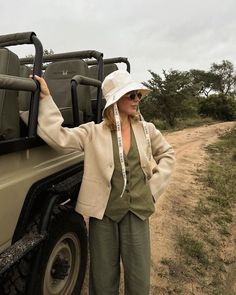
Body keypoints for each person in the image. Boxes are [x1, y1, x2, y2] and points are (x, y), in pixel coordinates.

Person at [34, 69, 175, 295]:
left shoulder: (147, 130)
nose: (137, 99)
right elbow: (58, 137)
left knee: (138, 279)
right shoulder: (93, 132)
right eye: (131, 95)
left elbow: (168, 154)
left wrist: (152, 190)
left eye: (138, 94)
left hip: (138, 212)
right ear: (115, 100)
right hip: (104, 215)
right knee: (102, 279)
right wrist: (44, 97)